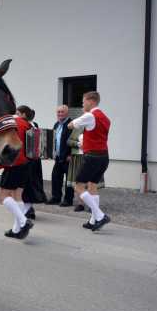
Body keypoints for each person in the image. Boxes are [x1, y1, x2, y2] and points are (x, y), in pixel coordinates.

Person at [68, 91, 111, 231]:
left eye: (83, 101)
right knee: (92, 186)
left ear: (91, 101)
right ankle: (93, 220)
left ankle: (100, 215)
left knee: (78, 186)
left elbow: (71, 125)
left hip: (92, 156)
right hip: (104, 156)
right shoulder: (105, 117)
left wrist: (76, 121)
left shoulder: (90, 115)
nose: (82, 104)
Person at [0, 107, 34, 239]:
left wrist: (0, 163)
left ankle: (24, 222)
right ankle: (16, 229)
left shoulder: (12, 121)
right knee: (17, 195)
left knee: (3, 196)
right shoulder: (28, 124)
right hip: (27, 163)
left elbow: (6, 143)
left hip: (14, 163)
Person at [18, 106, 46, 219]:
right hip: (32, 159)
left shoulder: (30, 125)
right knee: (28, 184)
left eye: (18, 113)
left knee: (27, 184)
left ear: (24, 115)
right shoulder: (32, 125)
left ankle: (27, 209)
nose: (16, 115)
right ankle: (28, 209)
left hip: (29, 160)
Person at [47, 104, 74, 206]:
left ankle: (68, 200)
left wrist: (71, 154)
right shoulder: (56, 125)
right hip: (58, 157)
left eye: (62, 112)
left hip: (68, 157)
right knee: (55, 177)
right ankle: (56, 197)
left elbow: (75, 140)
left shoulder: (71, 124)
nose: (60, 114)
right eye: (58, 112)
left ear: (67, 113)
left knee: (69, 180)